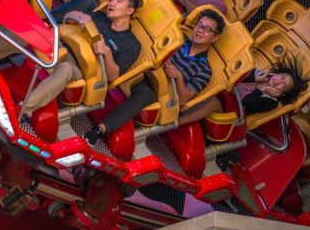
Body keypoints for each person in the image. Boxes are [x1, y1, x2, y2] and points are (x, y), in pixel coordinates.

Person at [83, 8, 225, 145]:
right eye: (199, 25)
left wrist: (178, 77)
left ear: (215, 37)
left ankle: (100, 129)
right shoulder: (179, 39)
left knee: (145, 95)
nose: (200, 30)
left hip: (158, 90)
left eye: (207, 29)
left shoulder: (204, 70)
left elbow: (183, 99)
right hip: (144, 70)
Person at [21, 0, 141, 118]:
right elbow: (68, 17)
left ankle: (22, 111)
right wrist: (80, 16)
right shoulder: (100, 17)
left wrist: (106, 52)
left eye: (118, 1)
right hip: (64, 47)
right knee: (35, 29)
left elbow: (113, 77)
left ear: (129, 10)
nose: (111, 3)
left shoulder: (132, 44)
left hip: (80, 68)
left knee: (65, 69)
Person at [176, 54, 306, 126]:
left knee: (212, 102)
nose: (279, 81)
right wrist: (254, 77)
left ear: (282, 93)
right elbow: (236, 75)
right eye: (282, 77)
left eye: (284, 84)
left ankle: (175, 123)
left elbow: (246, 103)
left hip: (232, 108)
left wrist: (263, 90)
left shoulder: (271, 101)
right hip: (224, 90)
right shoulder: (260, 74)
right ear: (278, 73)